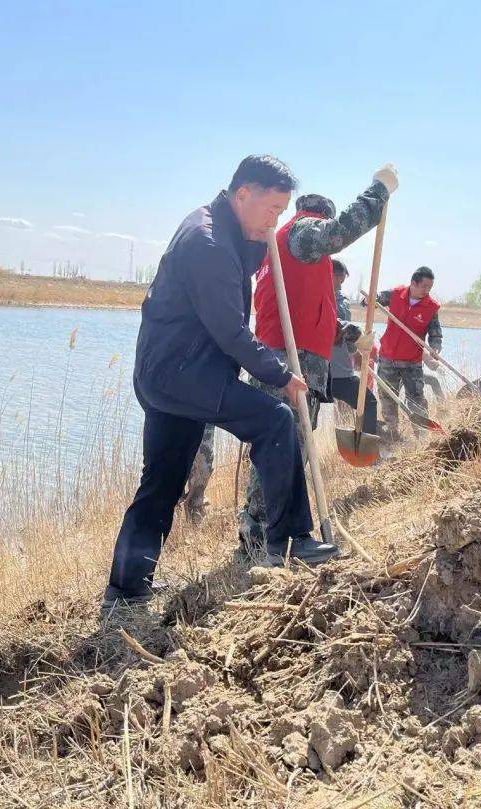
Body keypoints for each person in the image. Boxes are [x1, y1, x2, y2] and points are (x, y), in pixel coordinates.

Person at [104, 155, 336, 612]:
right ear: (243, 193)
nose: (276, 221)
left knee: (164, 481)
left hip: (169, 374)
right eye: (272, 209)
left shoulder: (220, 229)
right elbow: (230, 332)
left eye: (282, 212)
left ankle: (126, 589)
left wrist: (259, 240)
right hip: (185, 374)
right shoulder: (207, 242)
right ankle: (289, 539)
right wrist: (281, 376)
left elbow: (234, 275)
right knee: (273, 420)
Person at [238, 171, 395, 545]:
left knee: (293, 446)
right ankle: (262, 531)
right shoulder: (302, 231)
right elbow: (339, 232)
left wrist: (349, 332)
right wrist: (379, 192)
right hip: (287, 362)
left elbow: (307, 311)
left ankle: (276, 528)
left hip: (300, 360)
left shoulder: (298, 252)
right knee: (281, 446)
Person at [374, 267, 442, 441]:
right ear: (413, 283)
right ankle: (392, 434)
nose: (427, 291)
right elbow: (376, 299)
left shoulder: (431, 307)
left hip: (412, 362)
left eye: (430, 287)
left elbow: (435, 334)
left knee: (416, 399)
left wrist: (435, 347)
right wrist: (369, 301)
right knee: (388, 397)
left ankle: (422, 436)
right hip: (388, 358)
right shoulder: (395, 294)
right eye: (424, 286)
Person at [328, 259, 378, 436]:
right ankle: (368, 453)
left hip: (323, 370)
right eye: (339, 281)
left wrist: (356, 349)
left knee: (310, 417)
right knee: (368, 403)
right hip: (335, 371)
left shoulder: (319, 297)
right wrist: (360, 343)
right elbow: (343, 331)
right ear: (330, 274)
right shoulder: (331, 301)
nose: (340, 287)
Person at [180, 424, 214, 523]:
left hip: (205, 414)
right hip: (174, 413)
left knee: (204, 459)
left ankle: (196, 517)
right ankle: (177, 519)